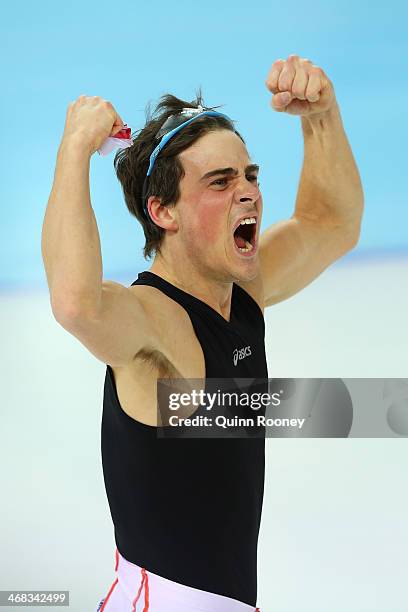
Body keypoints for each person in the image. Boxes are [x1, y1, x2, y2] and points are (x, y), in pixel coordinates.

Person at [41, 56, 364, 611]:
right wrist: (74, 149)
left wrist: (322, 116)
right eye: (221, 181)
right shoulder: (154, 321)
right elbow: (77, 305)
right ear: (162, 210)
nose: (249, 193)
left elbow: (329, 225)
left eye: (250, 175)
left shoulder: (242, 292)